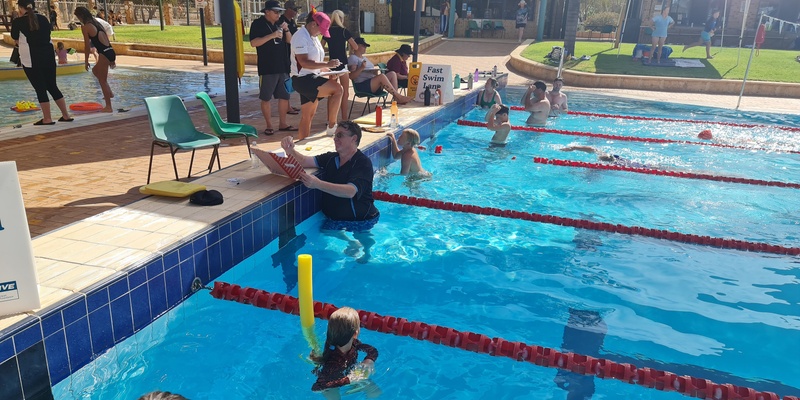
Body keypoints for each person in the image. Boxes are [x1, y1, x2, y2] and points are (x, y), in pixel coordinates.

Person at [280, 121, 379, 262]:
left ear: (354, 138)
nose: (335, 138)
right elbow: (303, 161)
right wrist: (290, 150)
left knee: (364, 242)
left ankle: (367, 253)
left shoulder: (362, 163)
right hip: (337, 220)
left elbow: (351, 191)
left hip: (362, 219)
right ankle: (351, 242)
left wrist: (317, 184)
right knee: (326, 230)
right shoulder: (331, 158)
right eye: (335, 135)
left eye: (340, 135)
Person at [11, 0, 73, 125]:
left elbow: (15, 38)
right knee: (52, 86)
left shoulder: (18, 22)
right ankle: (66, 115)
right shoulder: (43, 18)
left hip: (31, 58)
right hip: (48, 56)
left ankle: (47, 118)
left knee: (40, 88)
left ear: (21, 7)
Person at [290, 8, 343, 141]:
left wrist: (329, 70)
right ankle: (332, 125)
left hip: (310, 77)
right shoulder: (300, 37)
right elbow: (304, 62)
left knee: (308, 115)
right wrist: (327, 65)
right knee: (338, 90)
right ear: (313, 24)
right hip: (303, 79)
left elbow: (316, 63)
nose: (321, 33)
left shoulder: (313, 37)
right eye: (321, 30)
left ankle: (301, 145)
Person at [310, 307, 380, 400]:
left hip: (348, 373)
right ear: (355, 333)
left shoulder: (354, 343)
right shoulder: (333, 361)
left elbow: (372, 350)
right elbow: (318, 387)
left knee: (375, 392)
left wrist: (368, 361)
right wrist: (349, 380)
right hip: (331, 387)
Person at [250, 0, 295, 136]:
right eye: (276, 12)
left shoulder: (279, 23)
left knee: (284, 96)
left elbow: (289, 41)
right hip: (267, 67)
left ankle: (283, 123)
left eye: (279, 12)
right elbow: (253, 43)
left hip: (283, 66)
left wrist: (286, 29)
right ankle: (269, 125)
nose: (278, 14)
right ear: (267, 12)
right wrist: (272, 36)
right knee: (266, 97)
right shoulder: (257, 24)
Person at [74, 6, 116, 113]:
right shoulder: (97, 23)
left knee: (103, 81)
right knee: (95, 71)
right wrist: (112, 58)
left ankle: (108, 107)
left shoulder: (86, 27)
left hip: (104, 54)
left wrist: (86, 61)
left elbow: (87, 46)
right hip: (109, 51)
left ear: (80, 16)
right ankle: (109, 93)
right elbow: (106, 39)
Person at [347, 37, 412, 104]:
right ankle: (399, 97)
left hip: (371, 83)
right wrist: (361, 68)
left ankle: (396, 98)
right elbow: (351, 76)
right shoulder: (353, 58)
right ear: (356, 46)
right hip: (362, 85)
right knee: (381, 76)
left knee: (392, 73)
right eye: (363, 46)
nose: (365, 47)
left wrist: (374, 72)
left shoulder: (364, 58)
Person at [322, 10, 358, 121]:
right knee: (345, 92)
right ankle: (344, 118)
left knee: (331, 92)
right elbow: (356, 47)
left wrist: (330, 48)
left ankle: (330, 118)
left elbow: (321, 46)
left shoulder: (327, 31)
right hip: (343, 64)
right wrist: (348, 48)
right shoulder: (344, 31)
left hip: (332, 65)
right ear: (341, 19)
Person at [278, 1, 302, 115]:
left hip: (290, 55)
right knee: (286, 81)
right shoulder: (281, 21)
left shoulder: (292, 22)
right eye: (294, 9)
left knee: (288, 79)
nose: (296, 12)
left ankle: (288, 105)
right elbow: (289, 40)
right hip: (283, 55)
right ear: (288, 9)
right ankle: (287, 107)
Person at [560, 146, 648, 168]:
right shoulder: (613, 158)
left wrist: (574, 148)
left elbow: (592, 149)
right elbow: (592, 149)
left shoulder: (613, 162)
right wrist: (574, 148)